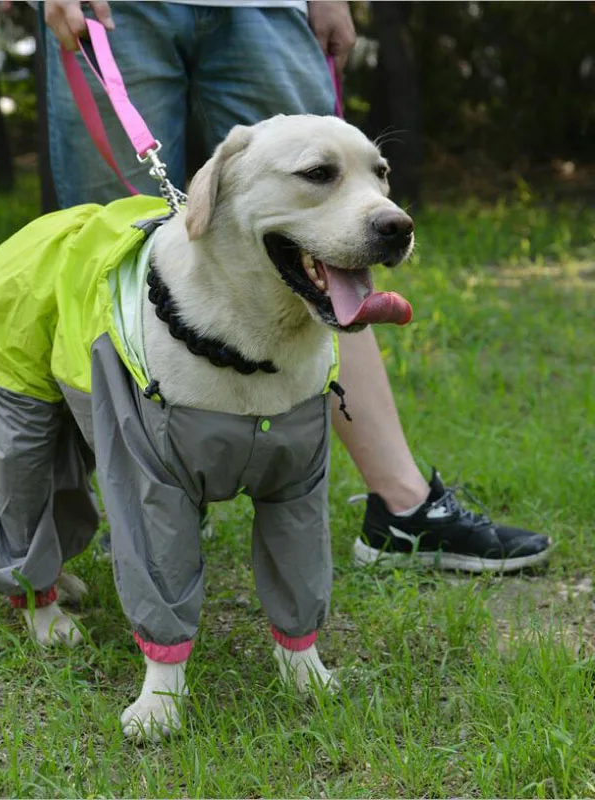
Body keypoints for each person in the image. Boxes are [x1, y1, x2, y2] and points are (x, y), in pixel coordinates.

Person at [36, 0, 551, 579]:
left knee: (330, 230)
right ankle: (160, 498)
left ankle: (404, 508)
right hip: (115, 10)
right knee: (116, 263)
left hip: (267, 8)